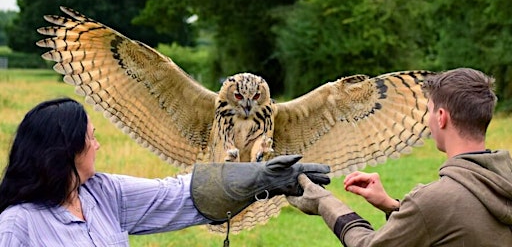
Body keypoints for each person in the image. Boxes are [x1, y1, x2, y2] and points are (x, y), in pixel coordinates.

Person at [0, 97, 330, 246]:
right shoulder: (17, 224)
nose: (97, 146)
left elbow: (176, 194)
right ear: (68, 150)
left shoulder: (103, 194)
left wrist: (263, 178)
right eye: (91, 138)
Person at [287, 68, 512, 246]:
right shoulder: (502, 180)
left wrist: (324, 202)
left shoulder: (435, 201)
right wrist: (393, 206)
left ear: (441, 117)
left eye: (430, 111)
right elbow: (454, 225)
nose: (428, 121)